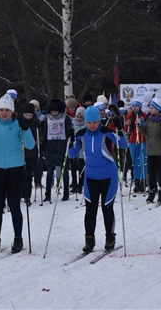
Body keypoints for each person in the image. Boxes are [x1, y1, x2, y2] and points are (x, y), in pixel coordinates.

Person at [0, 94, 35, 254]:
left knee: (15, 205)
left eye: (7, 110)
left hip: (15, 169)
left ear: (12, 111)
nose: (4, 113)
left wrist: (26, 128)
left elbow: (30, 145)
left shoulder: (18, 124)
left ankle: (18, 238)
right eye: (1, 109)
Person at [68, 106, 127, 253]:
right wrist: (70, 140)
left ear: (99, 120)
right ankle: (89, 240)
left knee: (107, 207)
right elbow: (72, 155)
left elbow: (124, 144)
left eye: (95, 121)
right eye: (89, 122)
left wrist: (120, 129)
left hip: (109, 176)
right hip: (90, 177)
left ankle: (110, 238)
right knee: (90, 209)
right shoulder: (81, 135)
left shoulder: (107, 132)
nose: (92, 125)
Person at [42, 98, 72, 202]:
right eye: (52, 111)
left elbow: (69, 130)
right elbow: (45, 132)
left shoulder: (65, 118)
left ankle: (66, 192)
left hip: (62, 146)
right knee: (50, 170)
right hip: (50, 147)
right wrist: (42, 142)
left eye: (56, 111)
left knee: (64, 170)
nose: (54, 113)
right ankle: (48, 193)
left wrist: (70, 134)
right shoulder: (48, 119)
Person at [139, 98, 161, 204]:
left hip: (160, 150)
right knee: (151, 172)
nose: (150, 110)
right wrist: (140, 126)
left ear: (158, 109)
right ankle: (151, 191)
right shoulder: (149, 119)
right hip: (150, 150)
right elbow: (145, 133)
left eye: (152, 108)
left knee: (160, 172)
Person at [124, 99, 148, 193]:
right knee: (135, 161)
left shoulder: (144, 116)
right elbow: (126, 129)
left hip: (142, 140)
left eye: (136, 106)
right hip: (133, 140)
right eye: (133, 106)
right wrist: (127, 124)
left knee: (143, 160)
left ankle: (143, 180)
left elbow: (147, 128)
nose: (134, 107)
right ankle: (136, 181)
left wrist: (143, 122)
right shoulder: (129, 116)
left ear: (140, 107)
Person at [70, 107, 86, 195]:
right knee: (73, 167)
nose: (79, 119)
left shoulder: (85, 125)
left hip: (82, 148)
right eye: (78, 117)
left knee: (81, 167)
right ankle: (74, 184)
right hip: (74, 147)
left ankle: (80, 184)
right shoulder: (73, 123)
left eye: (81, 117)